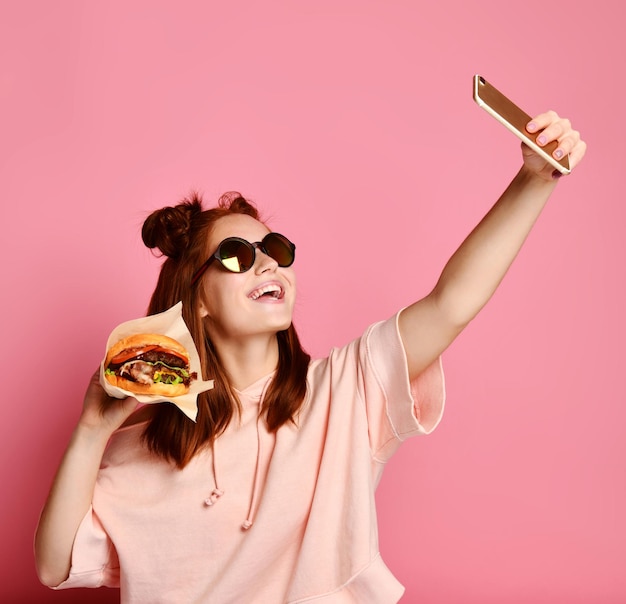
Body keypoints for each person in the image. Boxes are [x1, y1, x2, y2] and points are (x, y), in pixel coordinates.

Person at [34, 110, 586, 603]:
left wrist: (534, 180)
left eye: (275, 250)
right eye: (236, 257)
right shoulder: (143, 446)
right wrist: (90, 429)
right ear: (196, 299)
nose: (268, 264)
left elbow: (451, 304)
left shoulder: (343, 391)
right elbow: (55, 567)